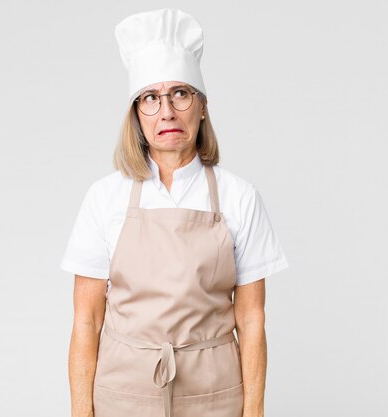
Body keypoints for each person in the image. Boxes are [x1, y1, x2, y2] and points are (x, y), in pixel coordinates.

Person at [60, 8, 289, 417]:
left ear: (202, 106)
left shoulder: (240, 198)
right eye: (150, 98)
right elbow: (86, 320)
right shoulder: (104, 198)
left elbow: (252, 320)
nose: (166, 111)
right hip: (123, 395)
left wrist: (254, 413)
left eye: (180, 93)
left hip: (214, 395)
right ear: (137, 116)